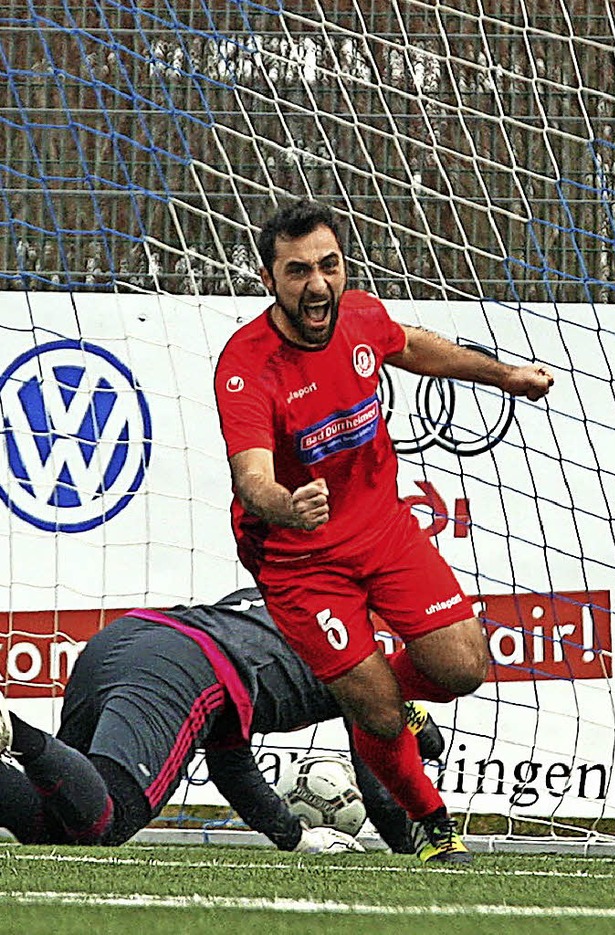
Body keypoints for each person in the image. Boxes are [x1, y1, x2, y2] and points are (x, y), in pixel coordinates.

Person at [214, 198, 555, 862]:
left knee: (462, 668)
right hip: (298, 560)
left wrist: (506, 375)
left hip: (382, 528)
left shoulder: (362, 314)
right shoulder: (246, 365)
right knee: (375, 710)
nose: (317, 285)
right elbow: (250, 477)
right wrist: (287, 504)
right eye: (297, 272)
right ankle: (431, 820)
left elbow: (410, 345)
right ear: (268, 280)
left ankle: (388, 710)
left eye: (328, 266)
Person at [0, 587, 443, 857]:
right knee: (110, 820)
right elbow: (385, 794)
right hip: (180, 666)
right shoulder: (363, 670)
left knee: (61, 824)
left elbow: (230, 766)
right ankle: (14, 730)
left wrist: (294, 839)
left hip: (124, 639)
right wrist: (413, 850)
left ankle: (14, 739)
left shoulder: (284, 598)